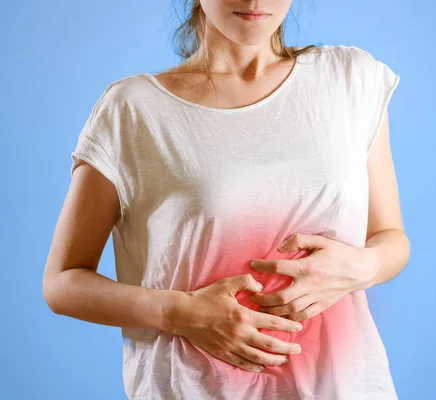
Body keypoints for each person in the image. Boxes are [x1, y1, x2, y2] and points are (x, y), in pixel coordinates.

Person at [42, 1, 410, 399]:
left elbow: (391, 238)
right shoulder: (132, 109)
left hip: (345, 385)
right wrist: (179, 312)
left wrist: (360, 266)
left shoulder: (349, 80)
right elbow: (63, 283)